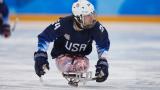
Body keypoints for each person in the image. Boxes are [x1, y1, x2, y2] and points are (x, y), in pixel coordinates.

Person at [34, 0, 110, 83]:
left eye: (92, 14)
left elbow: (103, 43)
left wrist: (103, 61)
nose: (92, 18)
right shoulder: (63, 24)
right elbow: (45, 36)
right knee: (76, 66)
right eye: (88, 16)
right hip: (62, 56)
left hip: (81, 57)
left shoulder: (96, 28)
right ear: (78, 18)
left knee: (81, 66)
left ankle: (77, 65)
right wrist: (41, 56)